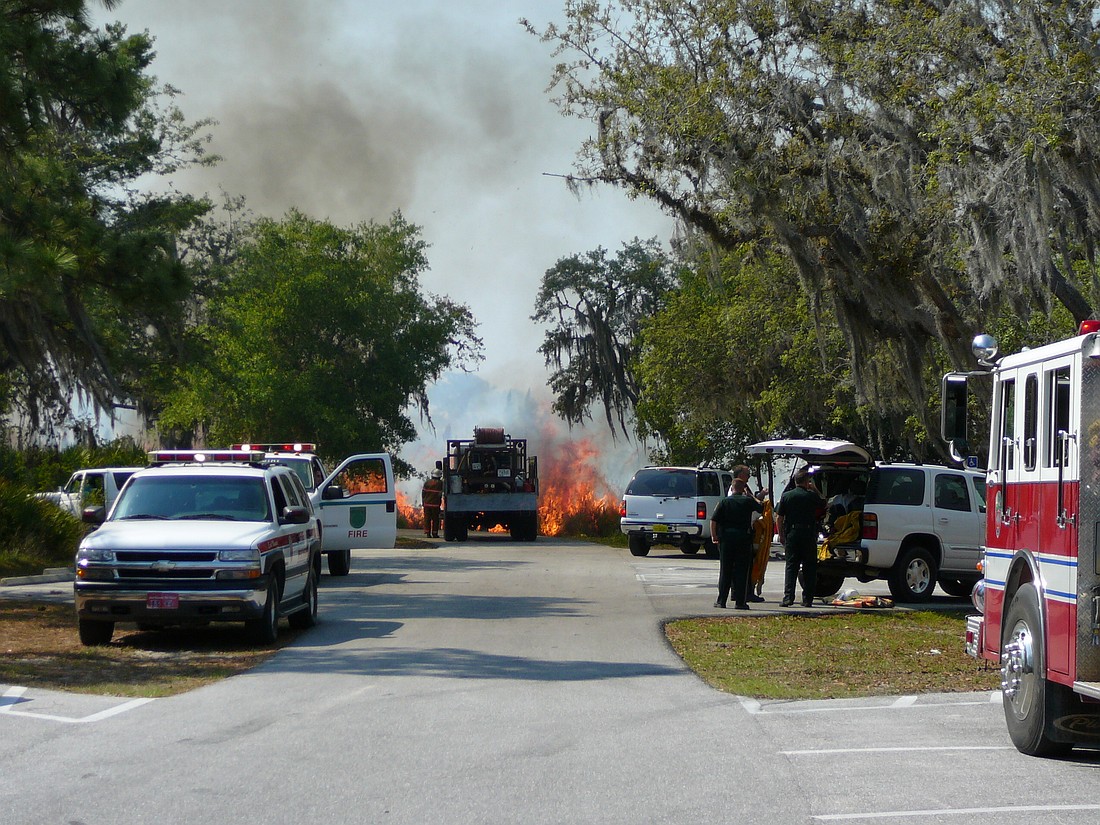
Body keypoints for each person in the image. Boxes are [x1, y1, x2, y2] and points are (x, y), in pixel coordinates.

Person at [710, 478, 764, 610]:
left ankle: (721, 600)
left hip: (726, 539)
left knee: (725, 570)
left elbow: (713, 520)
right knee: (742, 571)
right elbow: (761, 508)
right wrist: (751, 495)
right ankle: (740, 602)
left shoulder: (724, 502)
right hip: (743, 539)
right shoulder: (748, 501)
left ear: (732, 488)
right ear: (743, 488)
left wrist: (714, 536)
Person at [775, 468, 826, 607]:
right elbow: (824, 503)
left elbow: (779, 517)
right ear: (806, 482)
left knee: (791, 566)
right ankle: (807, 599)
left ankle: (788, 597)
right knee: (810, 567)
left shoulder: (786, 496)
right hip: (808, 534)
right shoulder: (811, 495)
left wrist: (781, 535)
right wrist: (814, 488)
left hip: (792, 533)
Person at [421, 469, 444, 538]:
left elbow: (423, 493)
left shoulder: (427, 482)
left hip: (427, 504)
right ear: (439, 476)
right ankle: (435, 533)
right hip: (435, 505)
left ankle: (428, 533)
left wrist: (423, 502)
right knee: (435, 519)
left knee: (427, 519)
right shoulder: (440, 483)